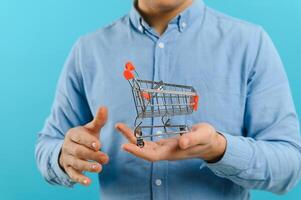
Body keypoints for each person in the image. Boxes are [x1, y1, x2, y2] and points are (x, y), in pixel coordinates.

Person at [35, 0, 301, 199]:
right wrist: (64, 155)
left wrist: (219, 149)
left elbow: (289, 166)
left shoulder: (249, 44)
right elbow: (48, 144)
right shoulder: (89, 50)